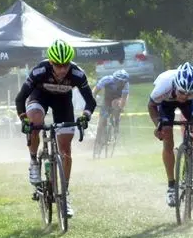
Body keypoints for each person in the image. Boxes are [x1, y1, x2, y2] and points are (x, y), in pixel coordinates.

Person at [15, 39, 95, 218]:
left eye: (65, 65)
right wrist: (24, 119)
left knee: (66, 150)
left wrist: (85, 116)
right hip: (40, 97)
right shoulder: (39, 71)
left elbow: (91, 101)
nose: (62, 69)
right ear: (51, 62)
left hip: (62, 103)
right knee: (35, 121)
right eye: (58, 65)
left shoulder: (77, 74)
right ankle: (34, 161)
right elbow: (20, 99)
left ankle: (64, 196)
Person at [147, 63, 193, 207]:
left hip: (191, 104)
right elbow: (151, 106)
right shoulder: (163, 86)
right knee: (167, 137)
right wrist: (157, 125)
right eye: (182, 92)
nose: (184, 96)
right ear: (175, 86)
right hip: (166, 104)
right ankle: (171, 186)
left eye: (188, 93)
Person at [93, 68, 130, 148]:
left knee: (116, 104)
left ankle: (116, 124)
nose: (121, 83)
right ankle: (99, 139)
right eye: (119, 81)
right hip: (107, 99)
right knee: (102, 121)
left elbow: (124, 99)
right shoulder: (107, 80)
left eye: (123, 82)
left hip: (118, 99)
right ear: (115, 79)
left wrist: (120, 108)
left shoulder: (126, 85)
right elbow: (94, 91)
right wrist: (93, 101)